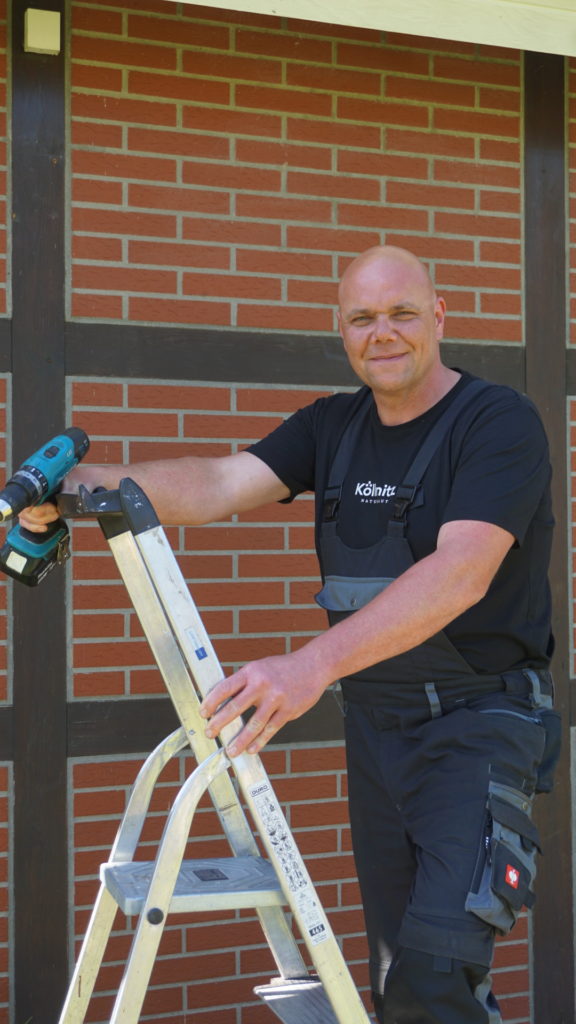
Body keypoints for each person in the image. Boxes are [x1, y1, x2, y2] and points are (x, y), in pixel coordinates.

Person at [20, 246, 559, 1024]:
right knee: (396, 981)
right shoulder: (332, 426)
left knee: (436, 978)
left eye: (403, 313)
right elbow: (214, 483)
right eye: (362, 318)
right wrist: (77, 490)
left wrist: (311, 666)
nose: (384, 333)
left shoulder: (497, 422)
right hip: (380, 730)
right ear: (340, 329)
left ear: (438, 316)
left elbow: (461, 574)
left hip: (478, 726)